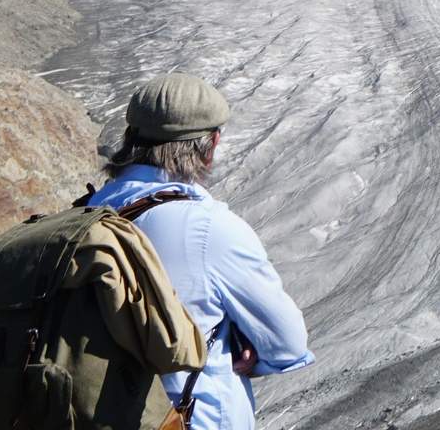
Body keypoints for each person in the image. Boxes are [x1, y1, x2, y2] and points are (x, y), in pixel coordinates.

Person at [85, 73, 314, 430]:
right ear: (210, 147)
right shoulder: (210, 229)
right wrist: (245, 351)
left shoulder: (84, 216)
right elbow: (288, 343)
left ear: (129, 139)